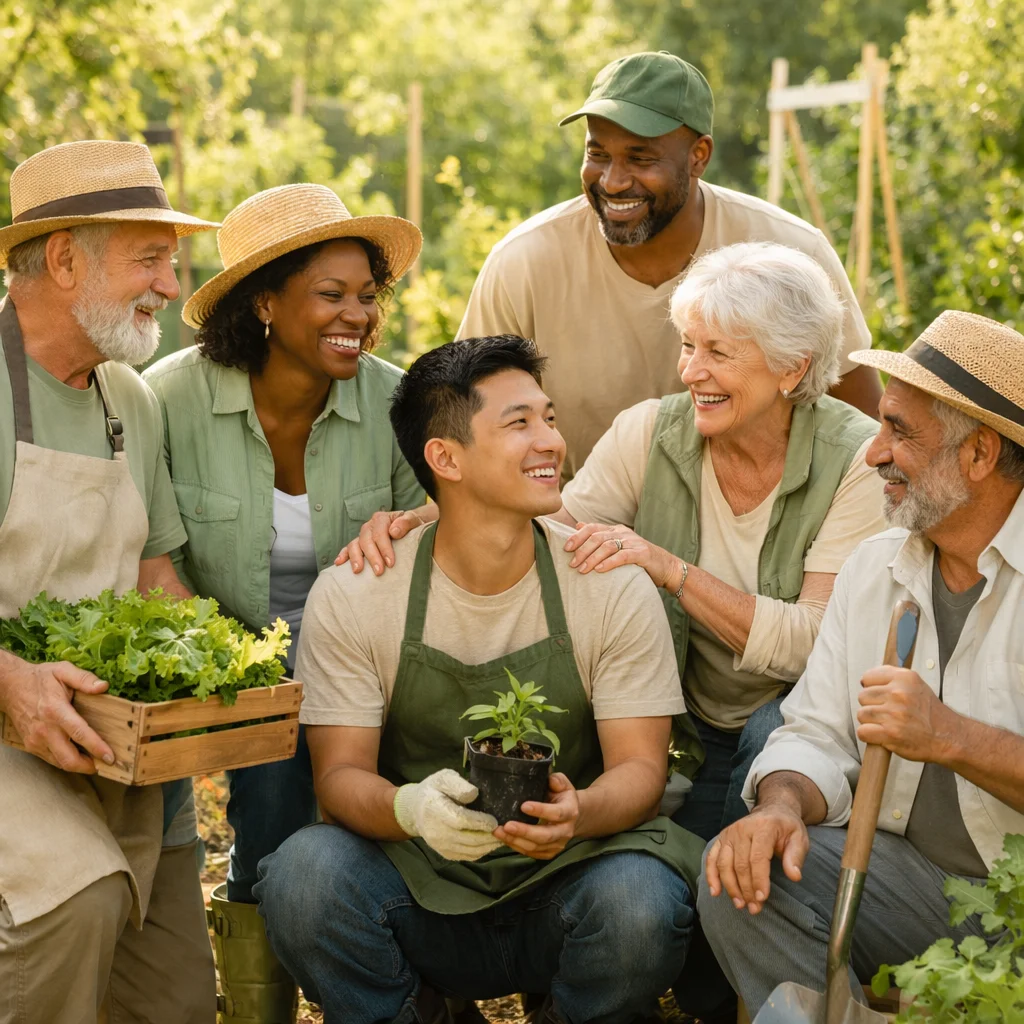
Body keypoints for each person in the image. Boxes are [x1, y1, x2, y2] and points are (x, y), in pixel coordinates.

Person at [254, 335, 706, 1024]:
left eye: (549, 419)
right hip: (415, 880)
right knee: (303, 877)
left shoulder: (607, 586)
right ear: (445, 458)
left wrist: (577, 815)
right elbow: (339, 778)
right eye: (518, 423)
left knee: (641, 903)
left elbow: (641, 771)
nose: (550, 441)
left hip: (569, 877)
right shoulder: (356, 592)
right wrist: (411, 810)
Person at [143, 183, 425, 1015]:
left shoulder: (397, 402)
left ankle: (387, 956)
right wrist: (230, 656)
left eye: (368, 297)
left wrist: (410, 523)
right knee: (273, 748)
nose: (358, 316)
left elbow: (444, 514)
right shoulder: (167, 399)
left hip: (372, 646)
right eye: (331, 296)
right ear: (265, 303)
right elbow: (149, 553)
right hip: (223, 649)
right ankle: (264, 980)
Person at [698, 311, 1024, 1016]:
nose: (873, 453)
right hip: (919, 887)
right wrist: (780, 807)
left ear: (980, 455)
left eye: (899, 431)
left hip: (1019, 901)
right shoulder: (877, 566)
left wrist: (951, 738)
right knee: (745, 872)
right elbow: (814, 731)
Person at [0, 141, 218, 1023]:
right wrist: (11, 683)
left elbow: (152, 570)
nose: (171, 285)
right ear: (61, 259)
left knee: (173, 1002)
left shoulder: (128, 397)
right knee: (74, 899)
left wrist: (214, 677)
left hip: (116, 741)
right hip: (8, 733)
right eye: (151, 258)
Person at [457, 50, 882, 481]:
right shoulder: (524, 262)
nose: (613, 181)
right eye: (598, 154)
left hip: (762, 519)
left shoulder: (791, 250)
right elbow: (465, 422)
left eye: (640, 159)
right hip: (572, 520)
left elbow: (863, 430)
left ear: (699, 155)